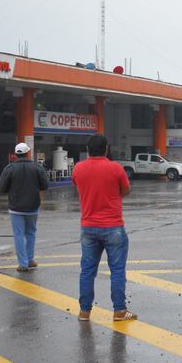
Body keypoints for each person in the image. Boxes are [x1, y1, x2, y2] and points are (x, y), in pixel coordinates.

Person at [72, 134, 136, 321]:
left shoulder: (78, 168)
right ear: (106, 148)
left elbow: (78, 186)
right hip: (113, 226)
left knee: (87, 271)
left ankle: (84, 311)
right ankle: (119, 310)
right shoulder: (115, 168)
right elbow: (126, 190)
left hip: (88, 226)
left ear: (87, 149)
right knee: (117, 270)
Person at [0, 142, 49, 272]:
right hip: (33, 206)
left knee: (19, 235)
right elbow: (45, 185)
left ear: (16, 154)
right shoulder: (37, 167)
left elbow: (2, 187)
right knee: (31, 232)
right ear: (28, 153)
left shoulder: (9, 168)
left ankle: (23, 263)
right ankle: (31, 259)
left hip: (15, 208)